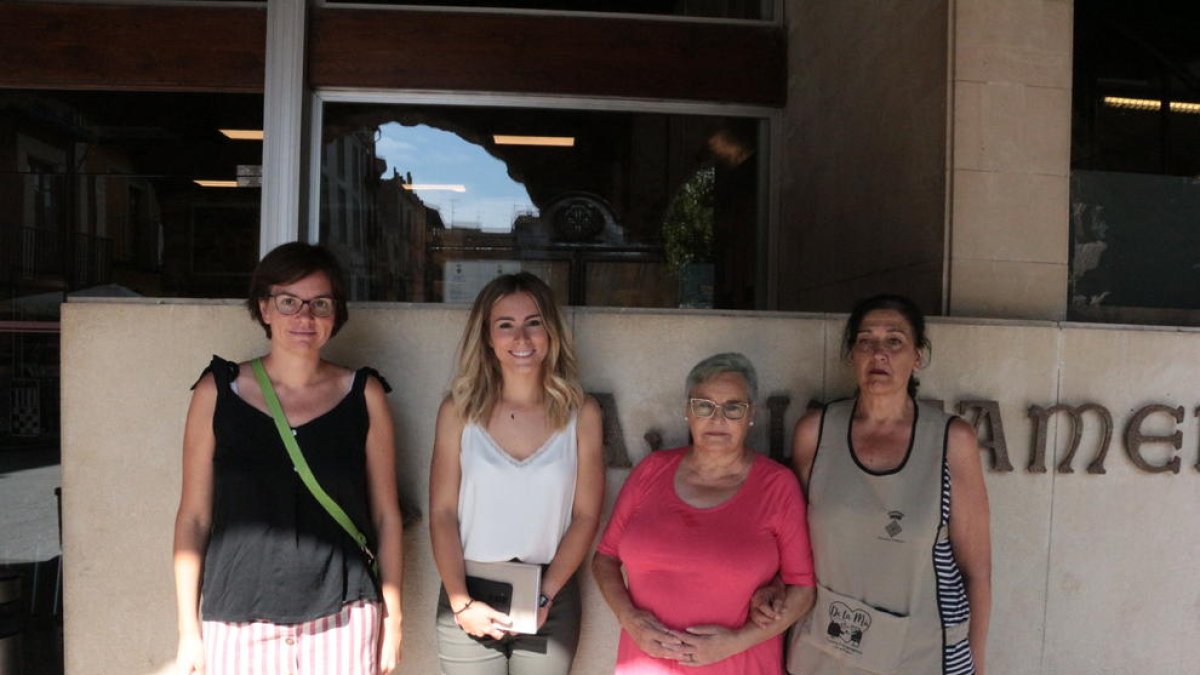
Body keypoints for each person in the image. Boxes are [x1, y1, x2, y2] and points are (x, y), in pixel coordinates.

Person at [173, 242, 404, 674]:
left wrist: (394, 622)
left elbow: (387, 516)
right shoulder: (218, 391)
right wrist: (188, 632)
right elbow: (193, 519)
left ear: (336, 315)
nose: (305, 317)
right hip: (238, 617)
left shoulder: (364, 394)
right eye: (288, 302)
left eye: (320, 303)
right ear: (264, 309)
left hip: (344, 615)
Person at [755, 294, 991, 675]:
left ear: (917, 357)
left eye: (894, 341)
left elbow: (976, 570)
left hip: (925, 651)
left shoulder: (951, 440)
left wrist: (978, 667)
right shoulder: (816, 432)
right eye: (866, 341)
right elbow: (790, 545)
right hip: (825, 647)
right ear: (852, 354)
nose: (878, 353)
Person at [592, 352, 816, 674]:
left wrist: (735, 642)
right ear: (688, 412)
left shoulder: (777, 485)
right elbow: (605, 559)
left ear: (750, 414)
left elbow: (803, 589)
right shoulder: (651, 472)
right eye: (704, 406)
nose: (717, 419)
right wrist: (629, 619)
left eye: (733, 408)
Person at [429, 272, 605, 675]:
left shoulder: (582, 414)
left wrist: (545, 597)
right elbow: (441, 513)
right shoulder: (458, 412)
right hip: (469, 589)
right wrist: (460, 602)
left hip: (551, 593)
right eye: (505, 326)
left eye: (534, 323)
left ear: (552, 332)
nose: (521, 339)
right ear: (487, 337)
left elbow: (585, 517)